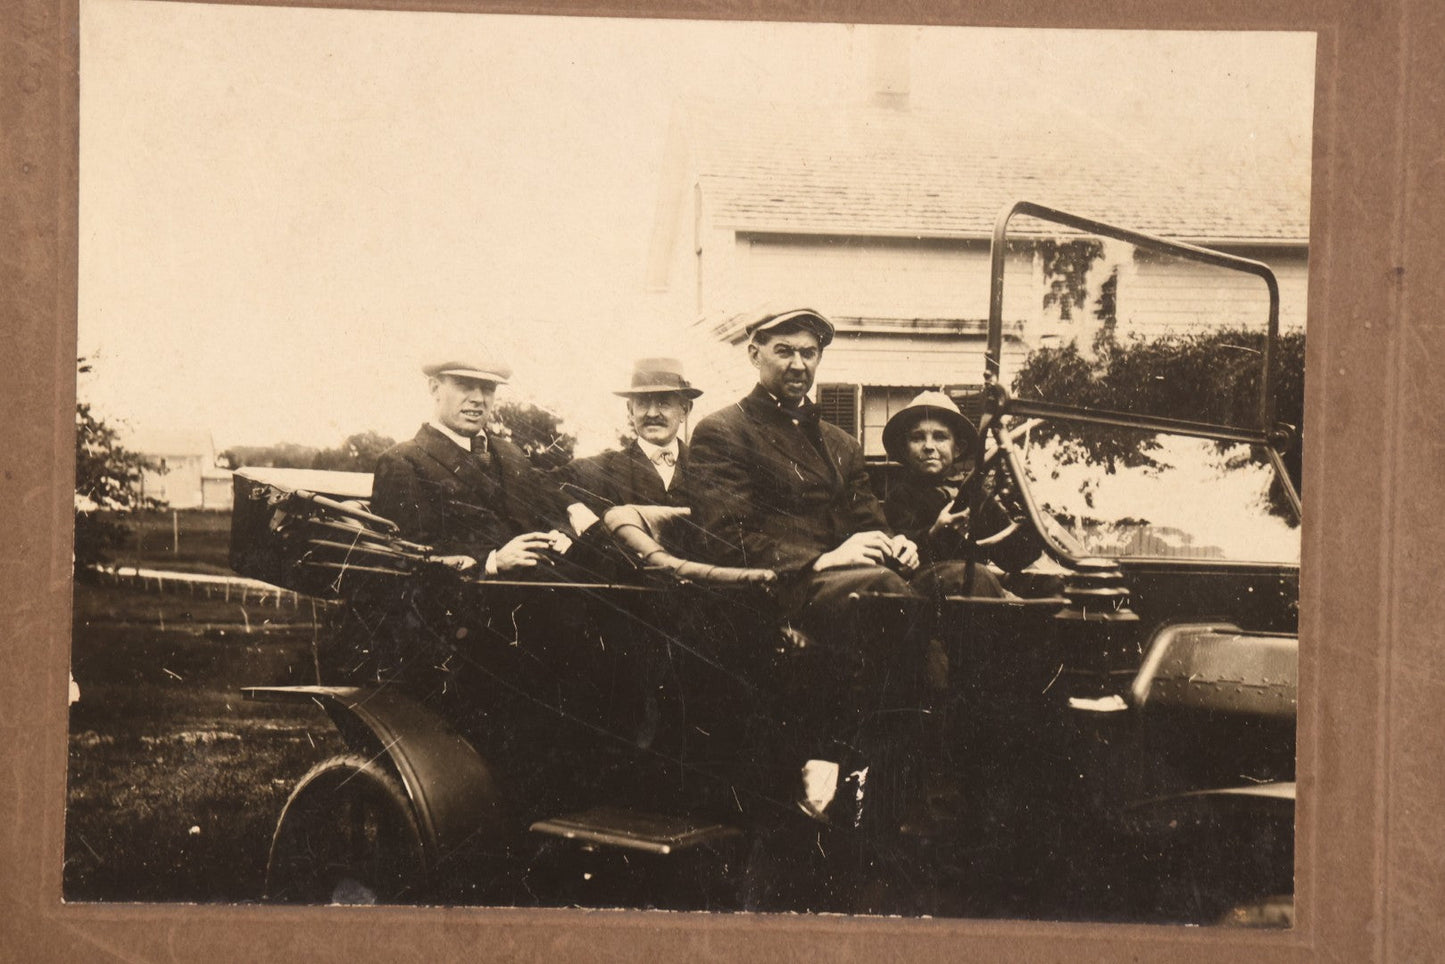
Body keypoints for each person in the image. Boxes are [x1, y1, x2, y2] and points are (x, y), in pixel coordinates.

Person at [683, 307, 928, 826]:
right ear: (754, 355)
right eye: (784, 350)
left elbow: (869, 520)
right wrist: (823, 558)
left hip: (847, 582)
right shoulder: (724, 431)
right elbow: (727, 539)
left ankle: (959, 752)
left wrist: (897, 542)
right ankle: (868, 762)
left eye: (809, 353)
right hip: (777, 589)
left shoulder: (839, 443)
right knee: (884, 590)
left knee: (962, 581)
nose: (798, 364)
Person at [370, 354, 581, 578]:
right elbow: (408, 557)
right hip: (469, 600)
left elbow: (547, 513)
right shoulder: (402, 461)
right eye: (464, 386)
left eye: (488, 389)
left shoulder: (512, 453)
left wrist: (559, 534)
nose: (478, 399)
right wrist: (492, 562)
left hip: (543, 587)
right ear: (434, 388)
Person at [880, 390, 1008, 598]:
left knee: (1050, 584)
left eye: (940, 437)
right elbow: (901, 559)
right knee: (976, 576)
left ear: (958, 448)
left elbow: (1013, 555)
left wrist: (1019, 512)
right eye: (917, 438)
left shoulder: (974, 493)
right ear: (905, 449)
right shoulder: (900, 497)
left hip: (974, 589)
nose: (929, 446)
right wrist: (936, 531)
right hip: (926, 593)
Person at [560, 357, 701, 514]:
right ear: (631, 410)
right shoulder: (600, 468)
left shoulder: (705, 468)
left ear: (685, 410)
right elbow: (539, 483)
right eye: (643, 403)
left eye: (664, 403)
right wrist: (575, 509)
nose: (652, 413)